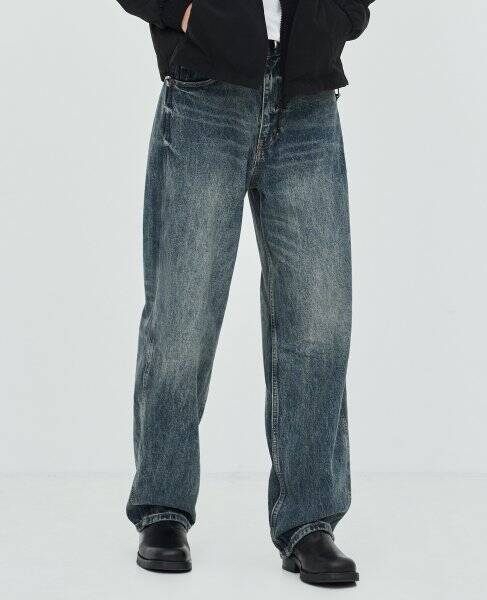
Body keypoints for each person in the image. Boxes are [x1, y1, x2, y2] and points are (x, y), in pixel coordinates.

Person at [116, 0, 375, 585]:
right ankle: (162, 507)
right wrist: (186, 12)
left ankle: (309, 521)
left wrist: (339, 17)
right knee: (182, 315)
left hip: (308, 98)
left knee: (319, 322)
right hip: (205, 94)